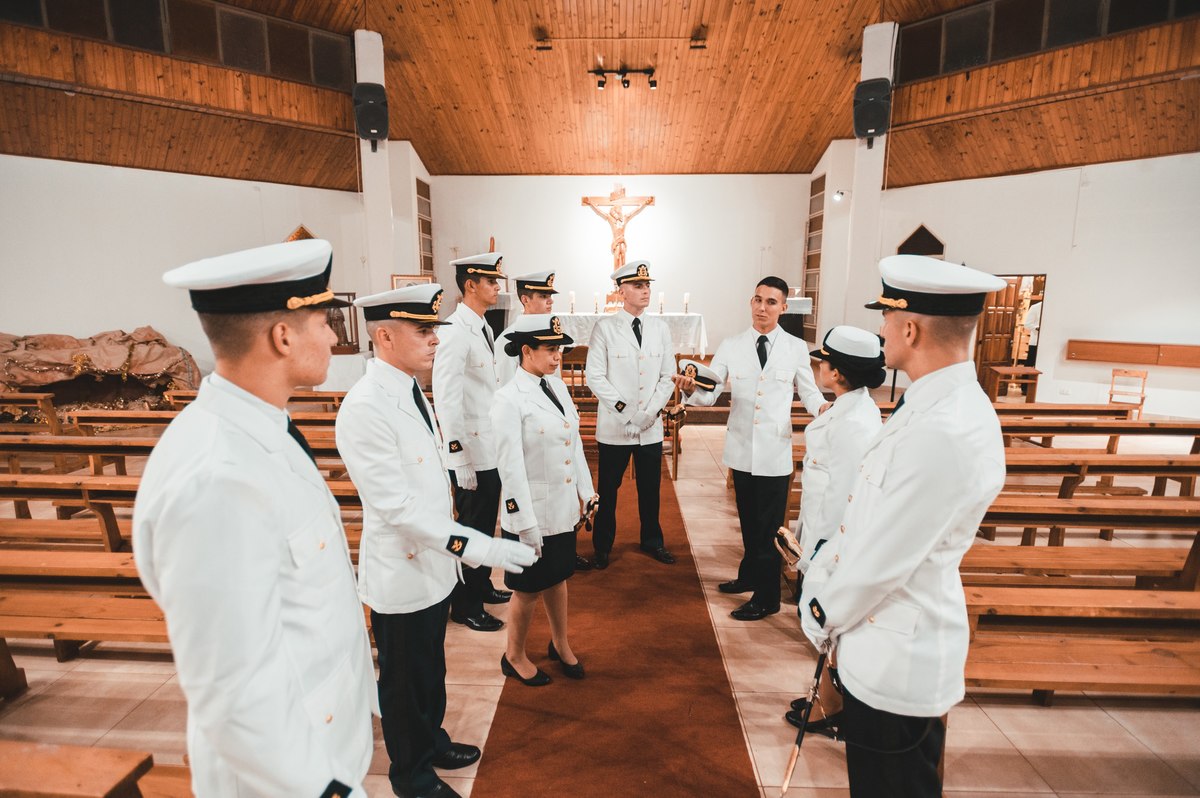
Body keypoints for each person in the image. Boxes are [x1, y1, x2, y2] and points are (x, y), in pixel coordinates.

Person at [133, 239, 376, 797]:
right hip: (284, 778)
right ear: (283, 336)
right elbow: (232, 691)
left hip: (323, 734)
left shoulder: (263, 426)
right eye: (324, 322)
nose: (333, 337)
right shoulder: (216, 478)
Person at [800, 254, 1007, 797]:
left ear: (910, 329)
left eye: (887, 318)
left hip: (899, 656)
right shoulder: (930, 402)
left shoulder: (946, 426)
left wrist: (822, 612)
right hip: (880, 644)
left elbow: (884, 558)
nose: (883, 331)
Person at [336, 285, 537, 798]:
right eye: (423, 330)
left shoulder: (408, 388)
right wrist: (481, 547)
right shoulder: (365, 406)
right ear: (385, 337)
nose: (434, 340)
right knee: (405, 681)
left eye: (434, 330)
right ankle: (413, 776)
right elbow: (397, 508)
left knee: (430, 669)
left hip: (432, 564)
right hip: (402, 568)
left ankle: (432, 741)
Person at [675, 276, 828, 620]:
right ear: (751, 302)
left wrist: (823, 409)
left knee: (769, 529)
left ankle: (767, 597)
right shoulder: (732, 345)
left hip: (775, 451)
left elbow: (809, 391)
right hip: (741, 448)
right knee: (747, 520)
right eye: (758, 300)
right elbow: (710, 393)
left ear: (783, 308)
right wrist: (690, 389)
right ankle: (749, 575)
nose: (762, 308)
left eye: (771, 302)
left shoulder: (795, 348)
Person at [781, 325, 885, 734]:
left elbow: (846, 496)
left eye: (823, 362)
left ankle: (832, 705)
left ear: (837, 372)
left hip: (835, 536)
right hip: (821, 525)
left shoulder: (855, 422)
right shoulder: (848, 407)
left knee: (830, 621)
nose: (818, 367)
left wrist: (818, 551)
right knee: (826, 620)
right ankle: (828, 694)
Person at [491, 314, 598, 686]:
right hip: (531, 512)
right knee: (526, 590)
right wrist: (524, 524)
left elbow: (574, 443)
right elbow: (510, 468)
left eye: (559, 349)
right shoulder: (508, 400)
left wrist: (586, 491)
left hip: (561, 508)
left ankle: (560, 642)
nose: (557, 356)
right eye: (550, 349)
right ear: (526, 350)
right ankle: (514, 655)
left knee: (558, 577)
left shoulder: (557, 387)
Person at [432, 251, 509, 632]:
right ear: (470, 285)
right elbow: (446, 398)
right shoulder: (453, 331)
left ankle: (481, 585)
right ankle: (465, 605)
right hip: (471, 451)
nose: (497, 287)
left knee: (485, 523)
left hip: (488, 446)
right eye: (491, 281)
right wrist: (458, 456)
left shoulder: (483, 327)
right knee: (471, 528)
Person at [584, 260, 677, 569]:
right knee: (608, 490)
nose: (645, 290)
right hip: (615, 426)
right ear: (621, 291)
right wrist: (628, 413)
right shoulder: (605, 328)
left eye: (647, 285)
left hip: (650, 426)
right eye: (638, 285)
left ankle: (653, 541)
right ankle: (602, 546)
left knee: (651, 489)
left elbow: (668, 376)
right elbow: (595, 377)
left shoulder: (660, 329)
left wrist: (649, 413)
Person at [495, 270, 557, 385]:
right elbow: (506, 383)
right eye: (544, 296)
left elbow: (554, 379)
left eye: (550, 296)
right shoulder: (510, 338)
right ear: (525, 299)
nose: (551, 301)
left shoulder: (550, 332)